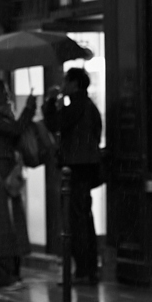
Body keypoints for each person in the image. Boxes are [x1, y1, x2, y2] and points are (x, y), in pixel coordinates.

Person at [43, 67, 102, 285]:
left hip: (75, 169)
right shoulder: (88, 106)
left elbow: (54, 123)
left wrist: (50, 101)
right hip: (85, 167)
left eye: (66, 81)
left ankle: (83, 271)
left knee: (75, 220)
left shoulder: (77, 105)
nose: (63, 85)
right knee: (83, 217)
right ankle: (88, 269)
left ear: (75, 84)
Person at [0, 78, 36, 291]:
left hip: (8, 171)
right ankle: (1, 275)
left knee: (12, 223)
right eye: (2, 91)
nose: (6, 94)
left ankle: (12, 272)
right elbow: (16, 130)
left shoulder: (1, 114)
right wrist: (29, 108)